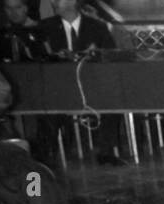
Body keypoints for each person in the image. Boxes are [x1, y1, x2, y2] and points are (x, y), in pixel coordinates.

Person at [39, 0, 122, 165]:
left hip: (92, 84)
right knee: (45, 102)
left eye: (58, 0)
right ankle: (45, 155)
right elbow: (39, 57)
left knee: (112, 100)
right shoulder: (44, 27)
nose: (54, 3)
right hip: (59, 85)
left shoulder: (97, 26)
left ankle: (105, 152)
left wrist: (93, 55)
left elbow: (110, 57)